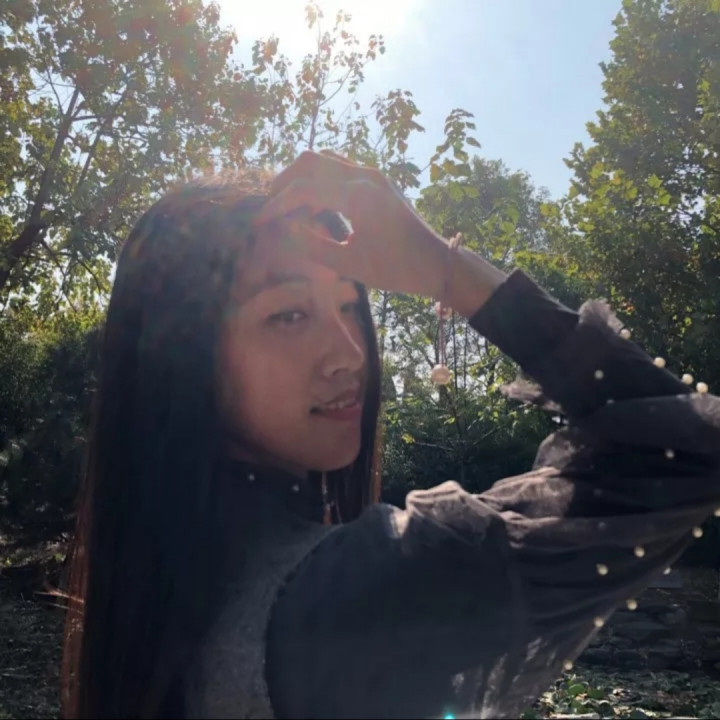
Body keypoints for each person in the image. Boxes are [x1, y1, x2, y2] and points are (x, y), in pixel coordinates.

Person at [62, 152, 720, 720]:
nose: (349, 353)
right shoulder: (351, 595)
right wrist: (444, 269)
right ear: (183, 360)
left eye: (350, 306)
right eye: (288, 315)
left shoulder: (163, 595)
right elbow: (691, 453)